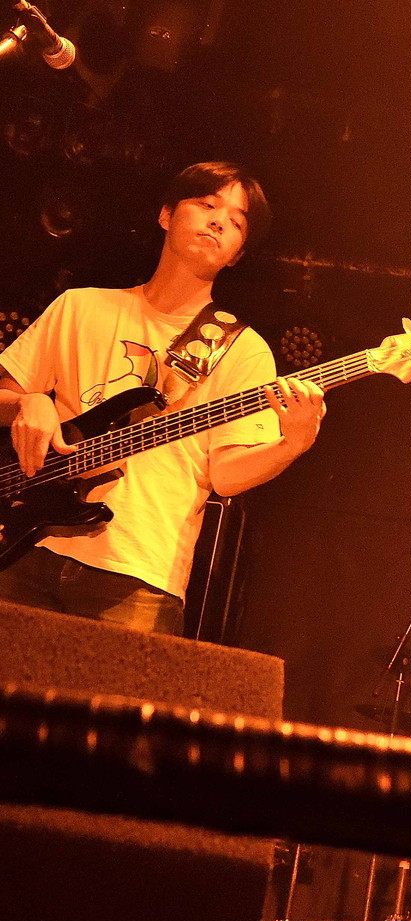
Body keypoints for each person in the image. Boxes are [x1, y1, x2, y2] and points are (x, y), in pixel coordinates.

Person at [0, 161, 326, 635]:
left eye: (237, 222)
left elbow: (225, 475)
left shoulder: (243, 350)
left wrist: (291, 445)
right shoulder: (80, 306)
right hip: (26, 546)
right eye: (208, 204)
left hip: (138, 573)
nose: (219, 222)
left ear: (237, 254)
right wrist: (28, 403)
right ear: (166, 214)